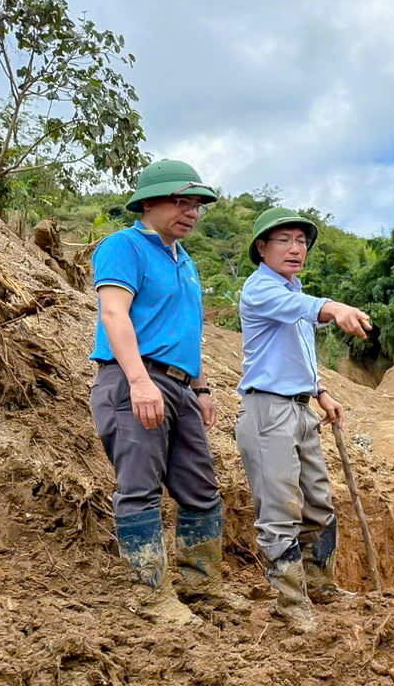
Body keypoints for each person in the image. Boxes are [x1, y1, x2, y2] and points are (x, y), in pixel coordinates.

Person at [90, 159, 246, 625]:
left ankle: (201, 583)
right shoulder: (124, 247)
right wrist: (138, 381)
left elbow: (189, 331)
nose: (192, 212)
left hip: (179, 387)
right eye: (181, 201)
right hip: (133, 380)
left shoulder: (187, 263)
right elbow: (114, 316)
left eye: (197, 204)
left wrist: (201, 388)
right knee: (139, 489)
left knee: (201, 488)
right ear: (149, 202)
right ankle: (151, 595)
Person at [235, 208, 372, 632]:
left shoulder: (293, 290)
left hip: (299, 407)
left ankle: (319, 581)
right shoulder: (261, 289)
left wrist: (320, 392)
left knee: (317, 501)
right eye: (285, 240)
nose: (296, 249)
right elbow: (306, 308)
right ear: (262, 248)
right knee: (279, 508)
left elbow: (298, 353)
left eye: (302, 241)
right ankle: (290, 603)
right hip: (267, 411)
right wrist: (336, 308)